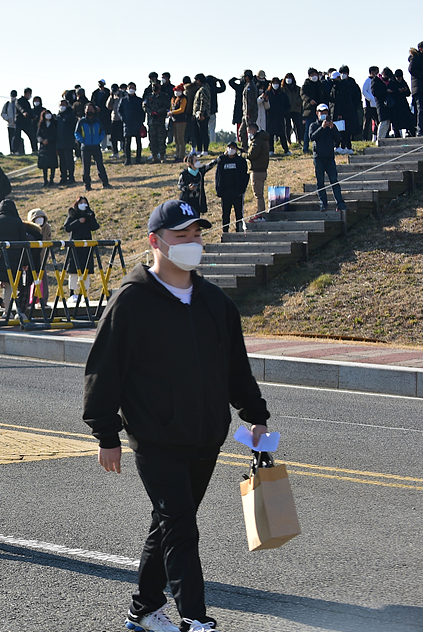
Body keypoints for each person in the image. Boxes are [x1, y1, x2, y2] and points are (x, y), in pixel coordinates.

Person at [84, 198, 271, 632]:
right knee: (182, 526)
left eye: (197, 234)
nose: (192, 243)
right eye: (182, 235)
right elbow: (103, 372)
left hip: (205, 437)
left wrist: (255, 416)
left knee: (169, 522)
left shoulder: (215, 303)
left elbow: (235, 368)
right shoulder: (131, 302)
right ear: (156, 241)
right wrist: (106, 435)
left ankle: (144, 609)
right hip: (155, 439)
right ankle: (195, 618)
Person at [309, 105, 348, 212]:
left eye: (325, 112)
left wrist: (332, 128)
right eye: (321, 112)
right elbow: (312, 137)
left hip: (330, 157)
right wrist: (322, 127)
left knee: (334, 181)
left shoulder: (332, 125)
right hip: (319, 157)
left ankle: (340, 203)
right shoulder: (314, 125)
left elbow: (338, 139)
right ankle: (323, 203)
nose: (323, 114)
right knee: (320, 182)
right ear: (317, 113)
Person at [63, 196, 99, 305]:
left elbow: (95, 226)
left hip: (87, 247)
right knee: (73, 271)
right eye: (81, 203)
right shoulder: (73, 214)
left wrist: (90, 215)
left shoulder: (89, 214)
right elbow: (67, 227)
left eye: (85, 203)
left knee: (86, 271)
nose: (84, 205)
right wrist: (78, 222)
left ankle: (84, 293)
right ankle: (72, 293)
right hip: (75, 247)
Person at [75, 104, 111, 192]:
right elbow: (76, 133)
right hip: (85, 147)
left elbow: (102, 131)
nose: (89, 110)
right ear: (85, 111)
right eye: (88, 109)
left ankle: (105, 183)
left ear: (94, 110)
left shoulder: (97, 121)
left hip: (96, 146)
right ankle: (87, 186)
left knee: (100, 166)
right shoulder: (81, 121)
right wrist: (82, 140)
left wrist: (99, 139)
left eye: (91, 109)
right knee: (86, 167)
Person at [215, 142, 250, 233]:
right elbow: (218, 176)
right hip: (225, 192)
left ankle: (239, 231)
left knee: (239, 213)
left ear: (236, 149)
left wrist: (242, 189)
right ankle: (225, 231)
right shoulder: (222, 161)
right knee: (225, 214)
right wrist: (218, 190)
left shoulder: (241, 161)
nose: (231, 149)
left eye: (233, 148)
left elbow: (245, 176)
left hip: (237, 192)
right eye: (229, 147)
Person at [143, 76, 170, 163]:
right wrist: (151, 113)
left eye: (156, 85)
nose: (154, 87)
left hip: (160, 121)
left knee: (161, 139)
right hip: (151, 121)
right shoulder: (149, 96)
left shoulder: (164, 96)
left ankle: (162, 156)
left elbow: (166, 106)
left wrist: (158, 112)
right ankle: (154, 157)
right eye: (153, 85)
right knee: (152, 139)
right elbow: (144, 106)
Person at [246, 123, 270, 222]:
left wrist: (244, 154)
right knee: (259, 193)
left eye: (249, 132)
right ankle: (260, 213)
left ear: (253, 131)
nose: (248, 134)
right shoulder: (264, 140)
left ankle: (260, 214)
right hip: (262, 170)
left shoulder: (257, 141)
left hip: (257, 171)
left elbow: (252, 155)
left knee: (258, 194)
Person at [119, 82, 145, 165]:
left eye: (133, 88)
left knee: (138, 142)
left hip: (137, 123)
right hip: (127, 123)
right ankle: (128, 160)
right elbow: (119, 111)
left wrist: (141, 120)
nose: (131, 89)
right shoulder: (123, 100)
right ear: (127, 89)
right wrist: (123, 119)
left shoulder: (139, 100)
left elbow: (143, 111)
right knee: (127, 143)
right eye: (130, 87)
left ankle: (138, 159)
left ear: (135, 89)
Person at [301, 68, 326, 154]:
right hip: (309, 110)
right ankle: (305, 148)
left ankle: (320, 147)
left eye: (315, 75)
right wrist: (309, 100)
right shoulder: (306, 85)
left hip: (320, 110)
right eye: (312, 75)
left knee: (321, 129)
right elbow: (303, 94)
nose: (314, 77)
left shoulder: (320, 85)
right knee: (308, 130)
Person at [265, 77, 291, 154]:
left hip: (280, 117)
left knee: (282, 134)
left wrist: (284, 112)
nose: (275, 85)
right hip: (270, 117)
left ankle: (286, 150)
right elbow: (264, 104)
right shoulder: (268, 93)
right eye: (274, 83)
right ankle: (271, 149)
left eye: (277, 83)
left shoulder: (283, 94)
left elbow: (288, 105)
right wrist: (267, 111)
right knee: (270, 134)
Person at [372, 68, 397, 144]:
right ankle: (380, 139)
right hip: (381, 104)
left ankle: (383, 138)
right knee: (383, 121)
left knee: (387, 122)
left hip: (388, 104)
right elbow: (374, 92)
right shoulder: (376, 81)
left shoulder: (388, 82)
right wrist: (385, 91)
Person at [36, 110, 58, 186]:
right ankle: (45, 180)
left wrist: (48, 140)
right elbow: (38, 135)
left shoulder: (54, 124)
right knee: (44, 165)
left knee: (52, 164)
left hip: (51, 145)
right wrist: (42, 140)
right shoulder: (41, 124)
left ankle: (51, 179)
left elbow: (55, 134)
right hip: (43, 147)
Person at [191, 75, 212, 156]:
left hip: (203, 115)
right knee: (197, 133)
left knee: (203, 132)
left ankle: (205, 150)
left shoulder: (204, 89)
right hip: (197, 114)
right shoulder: (199, 89)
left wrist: (201, 113)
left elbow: (204, 102)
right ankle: (199, 149)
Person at [169, 84, 189, 162]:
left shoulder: (183, 99)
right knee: (176, 139)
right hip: (174, 121)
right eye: (176, 91)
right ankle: (177, 154)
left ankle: (181, 155)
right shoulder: (173, 99)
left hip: (181, 121)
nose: (177, 92)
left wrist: (173, 112)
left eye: (178, 91)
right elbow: (171, 107)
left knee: (180, 138)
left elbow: (182, 109)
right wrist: (170, 112)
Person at [1, 90, 20, 154]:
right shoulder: (7, 104)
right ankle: (12, 151)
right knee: (10, 137)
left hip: (17, 124)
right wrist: (7, 118)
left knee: (17, 137)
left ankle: (17, 150)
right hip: (10, 124)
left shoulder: (18, 103)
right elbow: (3, 113)